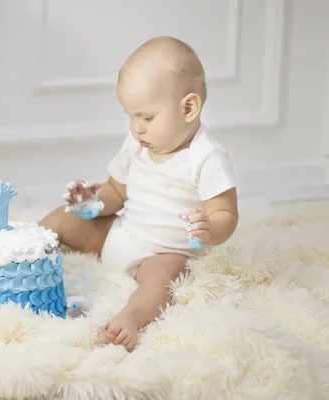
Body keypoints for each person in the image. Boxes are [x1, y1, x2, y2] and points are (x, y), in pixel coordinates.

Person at [39, 36, 239, 351]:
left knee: (168, 277)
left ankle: (131, 315)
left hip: (159, 255)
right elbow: (117, 191)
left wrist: (211, 227)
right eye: (130, 116)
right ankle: (20, 254)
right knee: (63, 218)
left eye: (146, 117)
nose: (137, 127)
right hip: (119, 236)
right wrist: (91, 200)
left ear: (188, 108)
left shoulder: (205, 156)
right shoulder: (137, 144)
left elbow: (226, 213)